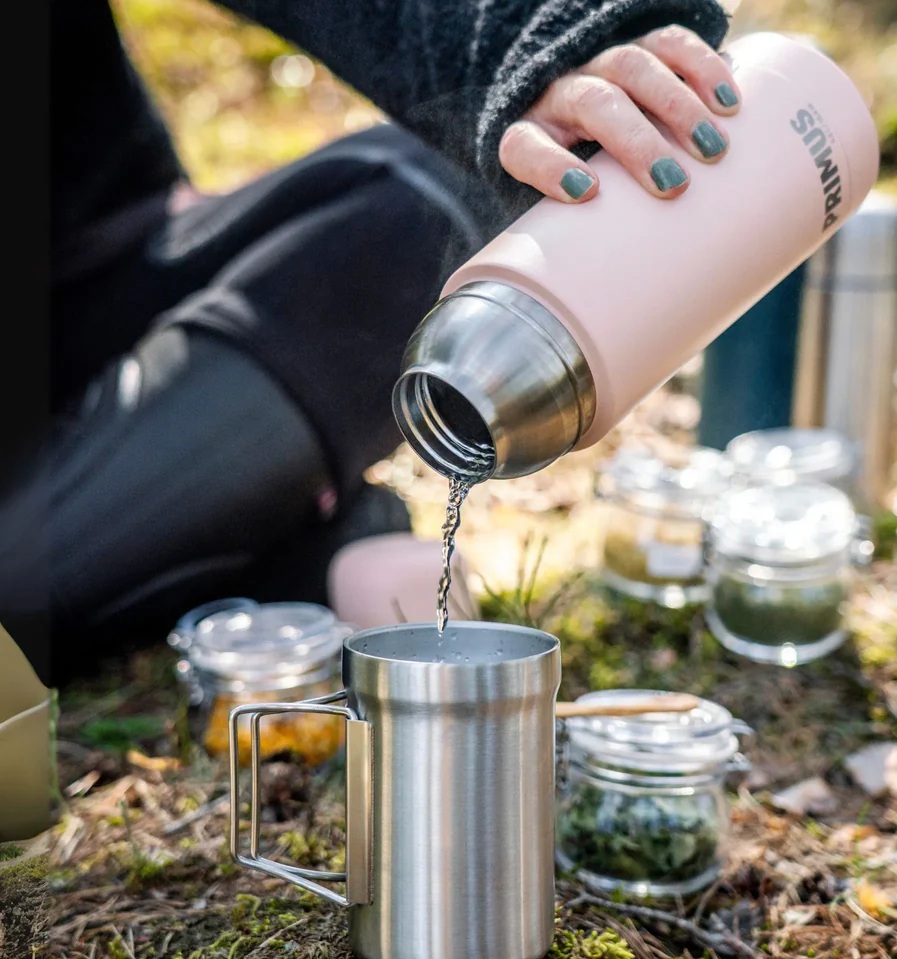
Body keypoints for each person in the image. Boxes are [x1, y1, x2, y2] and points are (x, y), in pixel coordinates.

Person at [5, 0, 740, 682]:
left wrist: (534, 48)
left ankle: (206, 511)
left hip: (117, 274)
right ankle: (279, 547)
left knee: (462, 181)